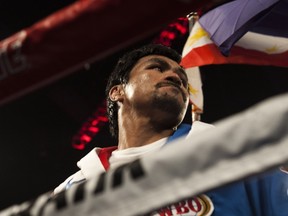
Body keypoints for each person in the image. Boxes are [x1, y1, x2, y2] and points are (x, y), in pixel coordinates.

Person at [54, 44, 288, 215]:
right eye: (156, 67)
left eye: (182, 77)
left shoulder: (232, 151)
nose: (175, 75)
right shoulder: (72, 190)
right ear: (117, 92)